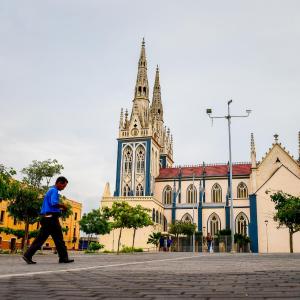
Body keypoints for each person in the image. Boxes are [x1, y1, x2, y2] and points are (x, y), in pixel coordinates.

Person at [22, 176, 74, 264]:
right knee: (59, 239)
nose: (63, 188)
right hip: (51, 219)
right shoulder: (54, 191)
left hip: (47, 218)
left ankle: (28, 255)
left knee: (41, 239)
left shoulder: (50, 190)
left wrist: (59, 209)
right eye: (63, 186)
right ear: (59, 183)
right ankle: (63, 258)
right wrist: (63, 206)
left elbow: (51, 205)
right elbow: (54, 203)